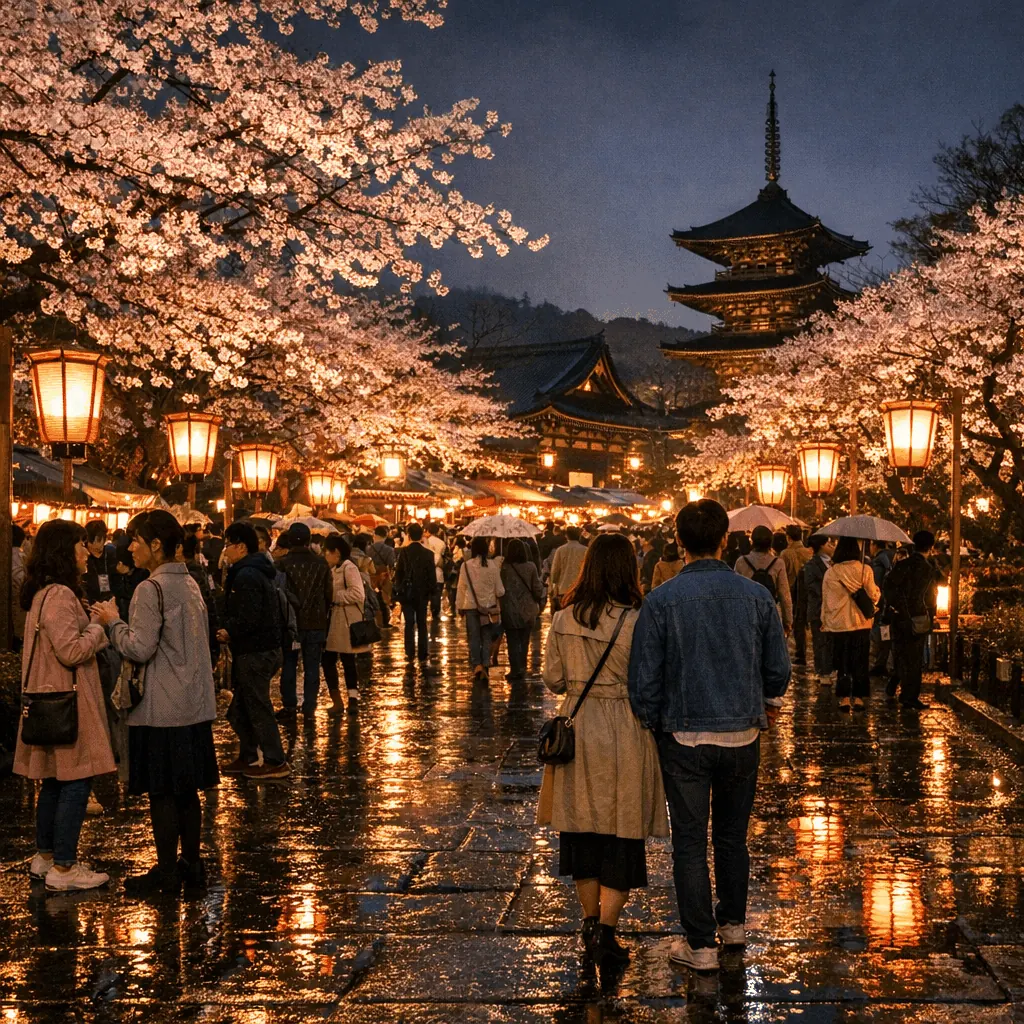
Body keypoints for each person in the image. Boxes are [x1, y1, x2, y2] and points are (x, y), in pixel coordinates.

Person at [628, 499, 791, 972]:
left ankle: (700, 945)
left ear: (680, 541)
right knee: (733, 838)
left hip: (683, 735)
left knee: (690, 841)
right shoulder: (756, 596)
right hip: (742, 732)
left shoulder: (661, 600)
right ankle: (734, 925)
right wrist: (770, 703)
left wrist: (653, 720)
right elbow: (777, 668)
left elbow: (645, 680)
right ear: (725, 539)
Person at [538, 532, 668, 966]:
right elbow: (651, 680)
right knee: (622, 830)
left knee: (582, 831)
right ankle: (607, 933)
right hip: (626, 729)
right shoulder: (638, 619)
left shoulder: (563, 617)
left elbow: (552, 679)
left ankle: (590, 922)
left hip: (578, 727)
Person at [93, 510, 218, 895]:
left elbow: (140, 647)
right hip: (194, 704)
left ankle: (166, 872)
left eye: (137, 540)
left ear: (156, 545)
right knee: (187, 791)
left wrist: (112, 621)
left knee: (162, 792)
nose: (130, 547)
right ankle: (192, 866)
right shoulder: (191, 584)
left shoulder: (151, 589)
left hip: (162, 706)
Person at [14, 519, 114, 892]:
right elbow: (71, 651)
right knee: (75, 779)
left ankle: (46, 856)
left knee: (55, 780)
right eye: (80, 546)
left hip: (48, 695)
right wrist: (98, 625)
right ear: (64, 551)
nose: (86, 553)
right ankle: (65, 866)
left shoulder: (44, 593)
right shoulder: (59, 595)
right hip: (67, 699)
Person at [217, 522, 289, 780]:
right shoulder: (253, 570)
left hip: (255, 651)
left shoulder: (247, 574)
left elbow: (250, 615)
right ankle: (248, 755)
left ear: (240, 546)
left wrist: (230, 631)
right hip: (260, 649)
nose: (225, 551)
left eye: (227, 545)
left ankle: (275, 759)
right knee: (240, 709)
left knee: (257, 706)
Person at [277, 523, 333, 717]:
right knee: (312, 666)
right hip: (316, 621)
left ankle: (290, 705)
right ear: (309, 540)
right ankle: (310, 705)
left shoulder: (282, 564)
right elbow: (328, 594)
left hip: (290, 623)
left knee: (289, 664)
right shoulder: (321, 563)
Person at [883, 529, 940, 711]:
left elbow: (888, 587)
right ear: (931, 547)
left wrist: (897, 607)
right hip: (918, 617)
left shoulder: (902, 565)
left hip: (899, 617)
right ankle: (909, 697)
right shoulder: (928, 569)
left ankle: (894, 684)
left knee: (900, 653)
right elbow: (931, 596)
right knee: (914, 659)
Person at [821, 536, 880, 712]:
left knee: (842, 661)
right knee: (861, 660)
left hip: (838, 624)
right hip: (861, 623)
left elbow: (826, 600)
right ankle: (860, 697)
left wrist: (824, 621)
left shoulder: (831, 572)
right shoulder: (865, 570)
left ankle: (845, 697)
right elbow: (874, 596)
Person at [322, 535, 366, 707]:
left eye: (327, 552)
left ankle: (352, 699)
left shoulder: (349, 568)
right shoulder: (334, 569)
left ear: (337, 553)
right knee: (330, 660)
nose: (325, 555)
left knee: (346, 659)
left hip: (346, 621)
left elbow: (358, 594)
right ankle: (338, 700)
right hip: (336, 622)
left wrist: (335, 597)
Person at [455, 536, 505, 682]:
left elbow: (461, 587)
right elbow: (500, 591)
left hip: (471, 607)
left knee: (474, 638)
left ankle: (476, 666)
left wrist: (459, 605)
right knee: (487, 637)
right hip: (489, 608)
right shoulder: (493, 566)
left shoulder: (466, 566)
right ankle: (485, 665)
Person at [499, 539, 544, 682]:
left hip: (509, 608)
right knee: (524, 641)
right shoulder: (530, 566)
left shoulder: (504, 568)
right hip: (528, 609)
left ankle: (514, 669)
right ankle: (522, 667)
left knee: (512, 640)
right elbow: (537, 588)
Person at [735, 525, 792, 635]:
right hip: (769, 613)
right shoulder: (778, 563)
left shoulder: (741, 562)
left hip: (747, 614)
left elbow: (735, 591)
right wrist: (788, 621)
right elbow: (785, 595)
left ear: (752, 541)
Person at [392, 522, 437, 664]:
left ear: (409, 535)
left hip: (407, 593)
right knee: (422, 622)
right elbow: (432, 576)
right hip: (422, 593)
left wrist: (398, 589)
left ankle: (409, 652)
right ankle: (423, 653)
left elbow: (398, 573)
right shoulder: (428, 554)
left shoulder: (403, 552)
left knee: (409, 622)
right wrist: (432, 592)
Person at [803, 534, 836, 685]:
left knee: (830, 641)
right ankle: (822, 671)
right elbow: (812, 588)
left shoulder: (835, 564)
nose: (832, 547)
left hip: (834, 609)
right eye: (829, 544)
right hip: (818, 608)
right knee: (820, 640)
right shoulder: (811, 566)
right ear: (821, 547)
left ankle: (826, 669)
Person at [781, 525, 812, 665]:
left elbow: (783, 575)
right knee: (803, 620)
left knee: (793, 621)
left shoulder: (786, 553)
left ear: (788, 537)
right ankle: (802, 651)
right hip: (809, 591)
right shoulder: (809, 552)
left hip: (792, 590)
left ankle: (799, 653)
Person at [869, 540, 896, 678]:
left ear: (874, 545)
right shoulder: (892, 556)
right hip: (890, 603)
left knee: (879, 633)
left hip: (880, 604)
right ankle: (883, 662)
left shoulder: (878, 561)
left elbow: (876, 585)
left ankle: (880, 664)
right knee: (886, 633)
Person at [548, 526, 587, 609]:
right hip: (580, 588)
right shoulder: (585, 550)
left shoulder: (560, 550)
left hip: (563, 588)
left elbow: (555, 570)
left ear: (566, 536)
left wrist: (554, 583)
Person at [83, 520, 120, 606]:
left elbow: (117, 581)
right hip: (89, 605)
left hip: (109, 603)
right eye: (91, 542)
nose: (96, 545)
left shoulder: (111, 553)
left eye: (99, 540)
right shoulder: (84, 555)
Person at [367, 525, 396, 627]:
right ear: (385, 536)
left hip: (371, 575)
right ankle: (384, 620)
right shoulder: (390, 550)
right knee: (384, 598)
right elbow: (391, 564)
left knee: (372, 596)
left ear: (375, 535)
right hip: (384, 575)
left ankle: (374, 619)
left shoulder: (368, 549)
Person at [422, 521, 447, 628]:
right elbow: (440, 559)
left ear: (427, 530)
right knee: (436, 596)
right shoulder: (441, 543)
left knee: (425, 596)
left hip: (425, 574)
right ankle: (435, 615)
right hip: (438, 573)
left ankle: (424, 614)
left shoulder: (423, 542)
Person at [11, 523, 27, 649]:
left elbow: (19, 579)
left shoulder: (14, 555)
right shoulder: (20, 556)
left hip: (16, 606)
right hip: (19, 608)